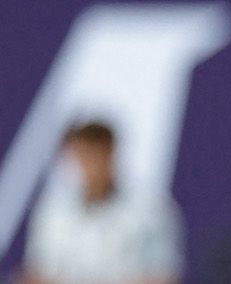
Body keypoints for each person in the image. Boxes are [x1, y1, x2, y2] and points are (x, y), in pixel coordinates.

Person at [23, 121, 183, 284]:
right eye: (86, 155)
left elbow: (164, 276)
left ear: (113, 153)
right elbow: (36, 275)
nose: (93, 165)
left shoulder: (149, 210)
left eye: (99, 154)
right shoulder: (53, 212)